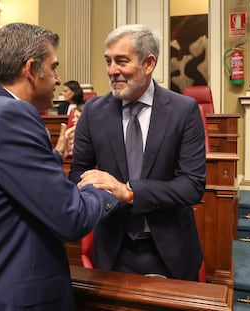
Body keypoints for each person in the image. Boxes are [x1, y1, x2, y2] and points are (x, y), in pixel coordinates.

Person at [0, 23, 125, 311]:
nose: (59, 79)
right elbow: (71, 217)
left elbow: (11, 182)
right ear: (31, 69)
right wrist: (112, 191)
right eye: (54, 67)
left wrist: (55, 155)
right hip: (3, 299)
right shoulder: (12, 115)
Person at [69, 24, 207, 281]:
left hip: (171, 250)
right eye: (108, 61)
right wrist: (100, 192)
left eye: (121, 61)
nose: (112, 71)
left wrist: (130, 192)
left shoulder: (184, 111)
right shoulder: (93, 112)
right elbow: (78, 173)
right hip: (112, 250)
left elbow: (192, 185)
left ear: (148, 63)